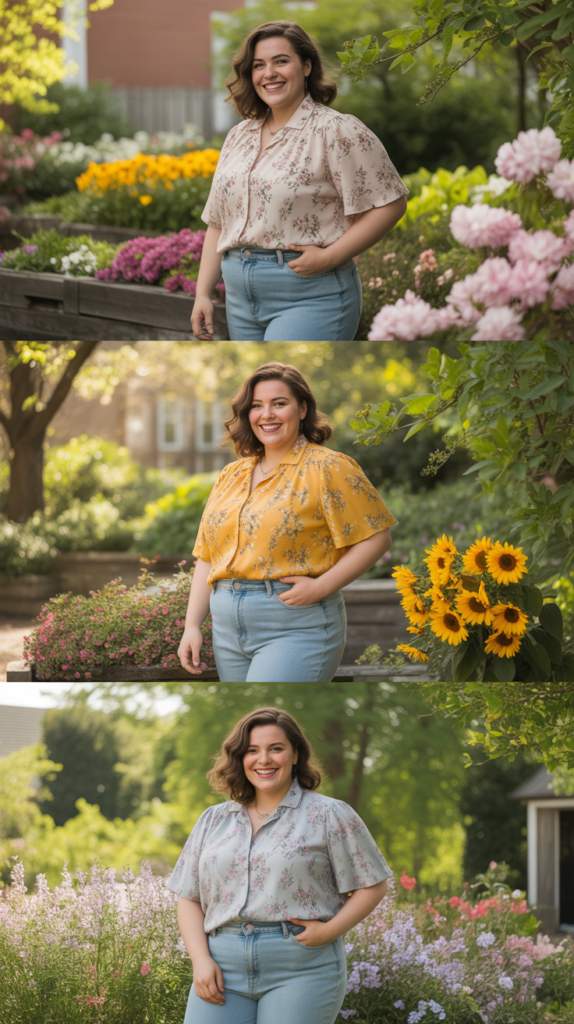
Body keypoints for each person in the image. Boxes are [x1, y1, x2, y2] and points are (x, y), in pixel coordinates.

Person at [167, 706, 392, 1024]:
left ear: (296, 754)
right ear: (240, 758)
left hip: (301, 967)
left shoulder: (329, 814)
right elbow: (188, 896)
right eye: (252, 750)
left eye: (276, 748)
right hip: (221, 966)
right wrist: (200, 960)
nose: (264, 759)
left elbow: (374, 884)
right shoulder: (213, 819)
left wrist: (329, 932)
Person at [177, 362, 397, 682]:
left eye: (279, 403)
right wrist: (192, 626)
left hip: (295, 624)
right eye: (256, 406)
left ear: (302, 408)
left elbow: (377, 538)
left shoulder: (329, 467)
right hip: (226, 629)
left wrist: (321, 586)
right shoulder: (231, 475)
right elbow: (207, 556)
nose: (267, 414)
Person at [191, 20, 408, 342]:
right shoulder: (239, 135)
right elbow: (219, 221)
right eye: (258, 65)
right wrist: (202, 295)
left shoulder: (336, 130)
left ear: (306, 66)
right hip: (239, 298)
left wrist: (331, 257)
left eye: (281, 61)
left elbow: (391, 203)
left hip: (310, 294)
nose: (269, 73)